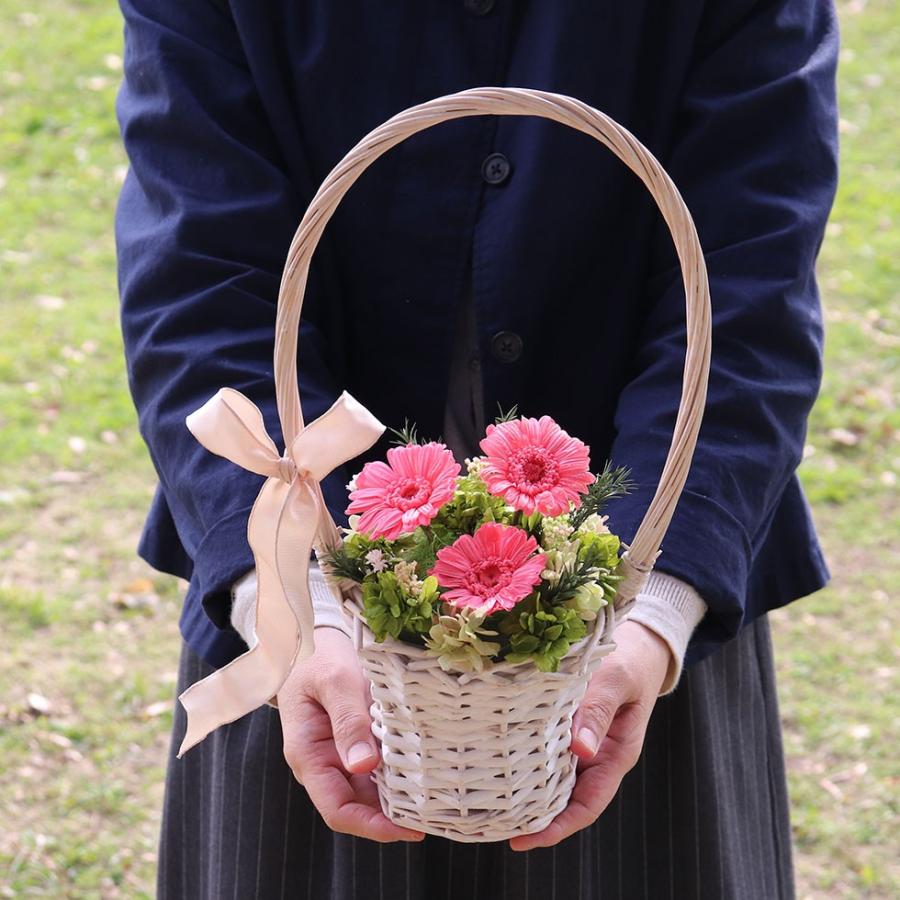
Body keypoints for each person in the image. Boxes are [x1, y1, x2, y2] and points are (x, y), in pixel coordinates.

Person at [114, 1, 838, 897]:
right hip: (309, 634)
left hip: (639, 626)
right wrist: (302, 603)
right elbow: (199, 271)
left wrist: (647, 610)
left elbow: (747, 276)